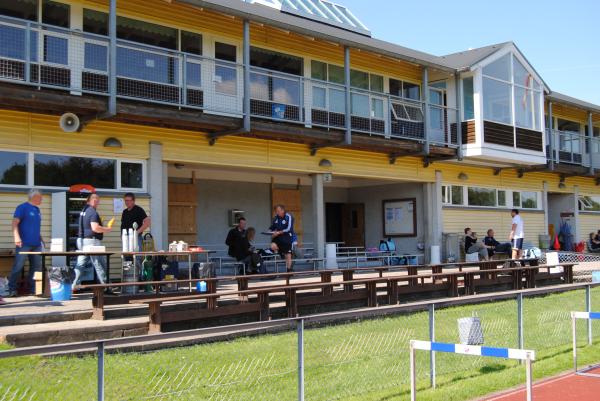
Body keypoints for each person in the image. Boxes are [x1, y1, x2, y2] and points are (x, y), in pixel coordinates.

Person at [8, 189, 44, 297]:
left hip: (36, 244)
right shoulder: (22, 207)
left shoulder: (37, 209)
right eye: (40, 197)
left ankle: (36, 290)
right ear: (34, 197)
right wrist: (16, 237)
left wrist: (40, 238)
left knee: (37, 268)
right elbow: (15, 223)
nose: (42, 199)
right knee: (18, 266)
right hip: (23, 244)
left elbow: (34, 226)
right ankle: (12, 289)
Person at [74, 193, 112, 287]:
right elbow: (95, 228)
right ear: (94, 201)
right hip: (91, 242)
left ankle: (73, 285)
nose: (98, 204)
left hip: (81, 241)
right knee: (99, 263)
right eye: (97, 202)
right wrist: (107, 229)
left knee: (80, 264)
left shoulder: (84, 211)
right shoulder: (92, 212)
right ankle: (106, 286)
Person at [270, 205, 295, 272]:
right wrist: (270, 232)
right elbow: (272, 227)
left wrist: (279, 232)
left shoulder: (288, 217)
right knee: (272, 246)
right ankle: (281, 253)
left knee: (288, 255)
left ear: (283, 210)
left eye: (278, 210)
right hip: (278, 237)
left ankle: (289, 270)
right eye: (276, 211)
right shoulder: (275, 218)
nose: (277, 212)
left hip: (287, 237)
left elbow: (289, 228)